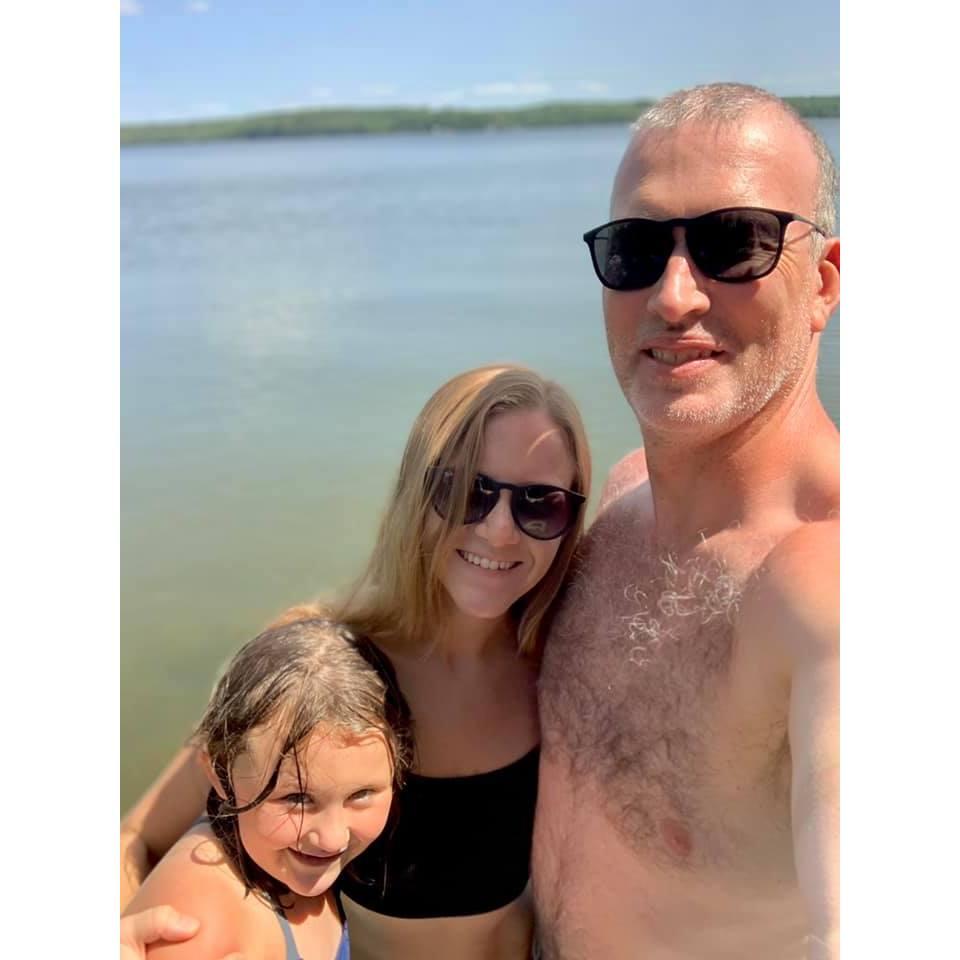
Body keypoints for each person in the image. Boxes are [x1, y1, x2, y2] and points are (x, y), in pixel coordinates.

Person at [120, 364, 592, 960]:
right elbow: (137, 838)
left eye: (541, 504)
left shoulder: (562, 664)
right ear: (415, 492)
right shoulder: (317, 664)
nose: (500, 531)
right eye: (466, 493)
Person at [532, 82, 840, 959]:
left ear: (823, 283)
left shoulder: (832, 579)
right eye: (635, 249)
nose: (673, 297)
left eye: (734, 243)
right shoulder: (619, 502)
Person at [122, 616, 410, 960]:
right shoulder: (196, 924)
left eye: (361, 795)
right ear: (219, 774)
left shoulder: (286, 859)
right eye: (297, 798)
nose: (332, 838)